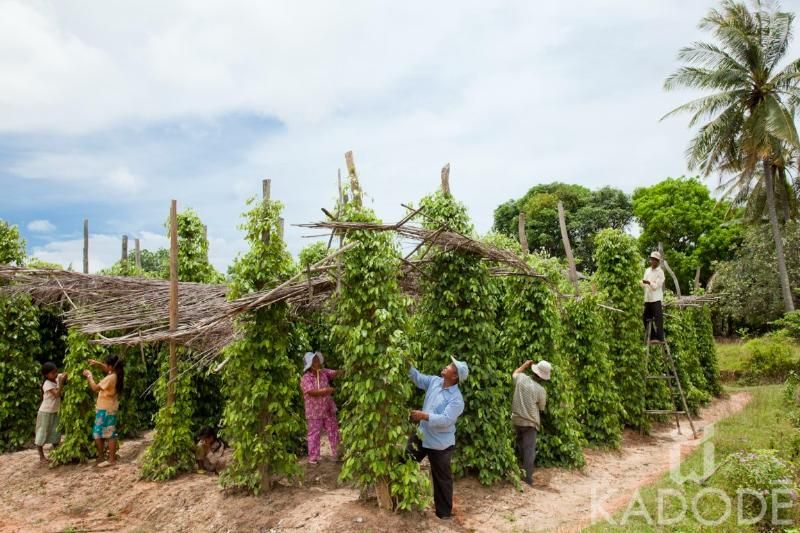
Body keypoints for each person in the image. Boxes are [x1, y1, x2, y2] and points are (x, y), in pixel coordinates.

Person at [407, 356, 467, 520]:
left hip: (440, 444)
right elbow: (418, 378)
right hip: (422, 436)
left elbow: (446, 420)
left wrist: (423, 416)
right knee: (404, 460)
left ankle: (444, 514)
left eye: (449, 366)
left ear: (454, 376)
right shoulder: (434, 381)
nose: (445, 367)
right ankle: (400, 497)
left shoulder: (456, 400)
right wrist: (407, 364)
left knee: (442, 480)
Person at [511, 359, 550, 486]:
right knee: (529, 450)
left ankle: (518, 469)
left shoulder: (520, 378)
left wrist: (524, 365)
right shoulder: (541, 390)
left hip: (516, 419)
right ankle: (527, 477)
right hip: (530, 422)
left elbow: (514, 373)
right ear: (543, 378)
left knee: (519, 445)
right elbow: (541, 408)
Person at [82, 354, 124, 467]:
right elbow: (107, 369)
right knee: (104, 432)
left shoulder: (110, 378)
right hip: (108, 408)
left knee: (105, 434)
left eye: (106, 364)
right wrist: (98, 364)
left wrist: (89, 376)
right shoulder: (116, 374)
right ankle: (105, 457)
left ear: (111, 367)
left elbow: (95, 388)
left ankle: (109, 459)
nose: (104, 366)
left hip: (105, 409)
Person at [300, 351, 340, 465]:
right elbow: (311, 392)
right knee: (314, 433)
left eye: (318, 360)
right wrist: (327, 390)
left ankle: (336, 453)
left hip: (328, 409)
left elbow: (335, 373)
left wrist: (346, 370)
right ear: (309, 364)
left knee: (333, 430)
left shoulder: (323, 373)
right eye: (315, 360)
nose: (318, 362)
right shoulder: (306, 378)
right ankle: (313, 457)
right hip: (314, 412)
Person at [35, 362, 66, 464]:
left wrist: (65, 376)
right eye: (53, 373)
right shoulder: (47, 384)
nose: (56, 374)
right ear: (46, 375)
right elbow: (57, 394)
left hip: (55, 411)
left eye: (56, 371)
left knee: (55, 432)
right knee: (42, 433)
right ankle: (41, 456)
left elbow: (65, 374)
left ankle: (57, 454)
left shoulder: (56, 378)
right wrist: (61, 383)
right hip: (45, 412)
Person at [642, 251, 666, 342]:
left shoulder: (660, 272)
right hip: (648, 299)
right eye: (652, 259)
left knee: (658, 320)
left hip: (656, 299)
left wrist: (649, 282)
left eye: (655, 260)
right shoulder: (647, 270)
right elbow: (644, 283)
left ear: (658, 261)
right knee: (645, 318)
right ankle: (652, 337)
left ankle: (660, 338)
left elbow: (656, 286)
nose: (653, 261)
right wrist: (643, 283)